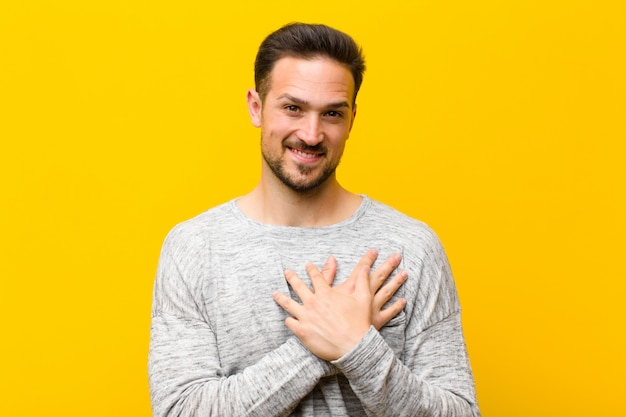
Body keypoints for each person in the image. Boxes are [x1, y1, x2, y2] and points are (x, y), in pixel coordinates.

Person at [148, 22, 480, 417]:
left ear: (352, 119)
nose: (311, 133)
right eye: (293, 108)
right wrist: (318, 347)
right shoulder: (195, 247)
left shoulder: (412, 247)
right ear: (256, 107)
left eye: (332, 114)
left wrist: (360, 351)